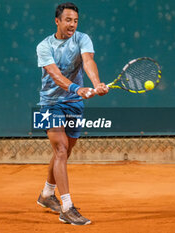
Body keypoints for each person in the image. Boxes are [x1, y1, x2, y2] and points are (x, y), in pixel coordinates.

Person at [36, 2, 108, 225]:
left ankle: (47, 195)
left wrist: (96, 84)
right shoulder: (44, 46)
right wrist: (78, 88)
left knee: (66, 152)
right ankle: (67, 208)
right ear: (57, 21)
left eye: (75, 21)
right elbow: (55, 75)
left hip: (74, 104)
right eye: (68, 20)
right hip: (49, 103)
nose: (72, 25)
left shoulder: (82, 38)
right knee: (60, 149)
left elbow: (88, 61)